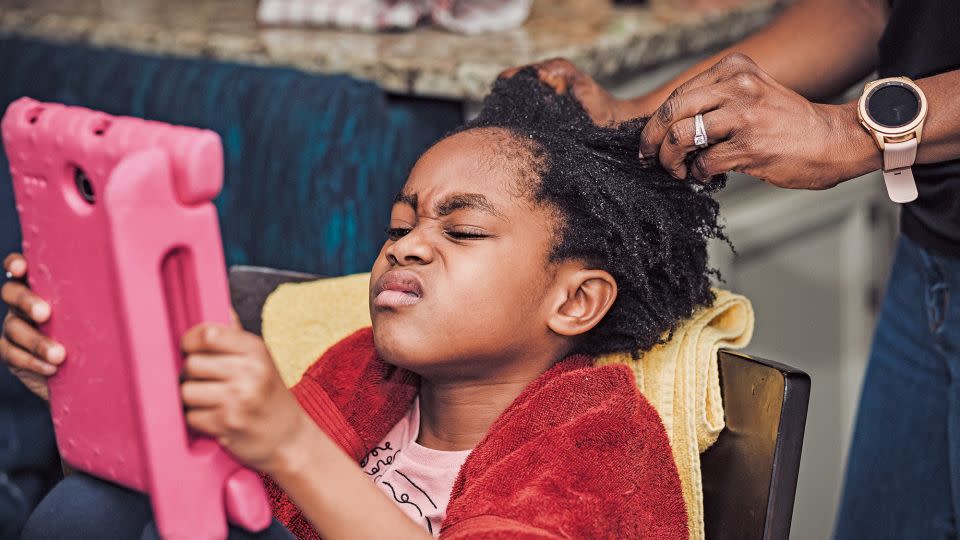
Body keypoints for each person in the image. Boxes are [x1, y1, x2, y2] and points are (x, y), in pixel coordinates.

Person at [0, 68, 729, 539]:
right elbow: (207, 497)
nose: (406, 247)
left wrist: (291, 445)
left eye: (463, 229)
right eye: (398, 226)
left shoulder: (595, 436)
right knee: (96, 507)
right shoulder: (363, 372)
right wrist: (83, 382)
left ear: (574, 300)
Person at [508, 0, 960, 537]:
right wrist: (650, 111)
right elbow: (875, 8)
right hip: (932, 256)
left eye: (463, 231)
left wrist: (852, 132)